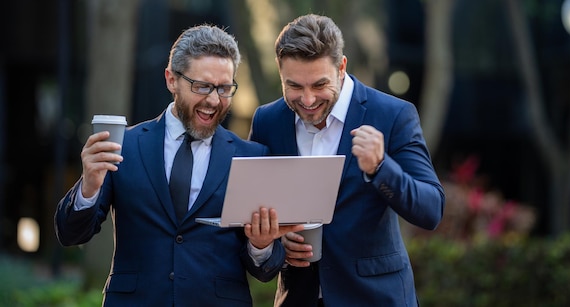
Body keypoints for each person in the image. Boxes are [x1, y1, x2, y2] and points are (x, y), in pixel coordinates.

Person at [55, 24, 301, 306]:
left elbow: (265, 270)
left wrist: (261, 244)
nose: (213, 100)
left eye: (224, 88)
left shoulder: (252, 156)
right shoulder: (124, 146)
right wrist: (89, 185)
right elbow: (71, 234)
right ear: (171, 80)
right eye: (202, 86)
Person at [248, 14, 446, 306]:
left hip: (376, 298)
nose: (307, 99)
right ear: (279, 72)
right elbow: (253, 211)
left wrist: (381, 167)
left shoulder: (393, 115)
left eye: (319, 85)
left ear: (341, 67)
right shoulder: (267, 121)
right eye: (294, 86)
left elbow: (431, 210)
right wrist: (275, 243)